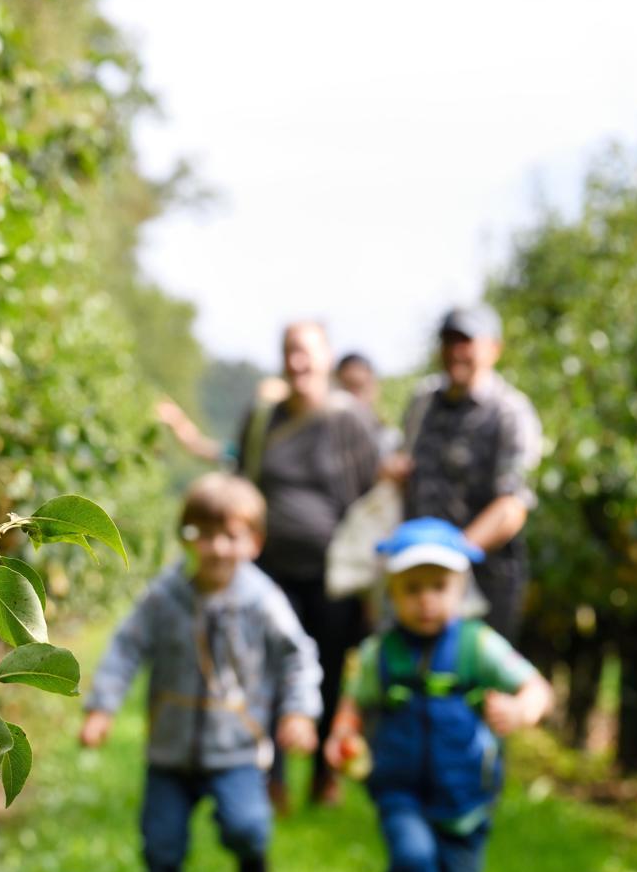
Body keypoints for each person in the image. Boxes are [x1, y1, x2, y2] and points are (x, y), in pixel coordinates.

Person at [323, 518, 552, 872]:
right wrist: (343, 736)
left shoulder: (477, 645)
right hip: (399, 789)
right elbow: (354, 703)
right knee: (411, 861)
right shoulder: (378, 653)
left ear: (460, 588)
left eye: (438, 587)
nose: (426, 599)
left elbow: (536, 688)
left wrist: (519, 709)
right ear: (392, 592)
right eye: (412, 589)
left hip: (465, 794)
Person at [157, 322, 381, 807]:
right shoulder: (262, 419)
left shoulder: (351, 422)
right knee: (270, 669)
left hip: (335, 577)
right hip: (270, 571)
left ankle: (323, 774)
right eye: (289, 352)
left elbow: (371, 500)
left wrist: (373, 584)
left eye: (307, 352)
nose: (298, 362)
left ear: (326, 358)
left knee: (328, 670)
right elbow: (240, 482)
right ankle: (271, 776)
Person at [80, 473, 323, 872]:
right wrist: (102, 706)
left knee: (246, 826)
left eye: (231, 536)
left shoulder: (262, 600)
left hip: (237, 749)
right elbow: (126, 647)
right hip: (171, 750)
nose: (218, 548)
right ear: (186, 538)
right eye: (204, 535)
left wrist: (299, 713)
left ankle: (253, 858)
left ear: (255, 542)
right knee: (161, 841)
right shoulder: (165, 598)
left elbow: (298, 657)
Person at [382, 305, 543, 643]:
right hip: (419, 573)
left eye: (466, 341)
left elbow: (512, 507)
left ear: (493, 349)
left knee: (480, 682)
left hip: (486, 580)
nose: (456, 351)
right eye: (448, 341)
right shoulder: (423, 400)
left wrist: (452, 553)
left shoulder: (509, 412)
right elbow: (402, 465)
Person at [335, 351, 401, 455]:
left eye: (359, 387)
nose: (353, 399)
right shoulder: (322, 438)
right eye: (348, 388)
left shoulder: (391, 439)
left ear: (374, 387)